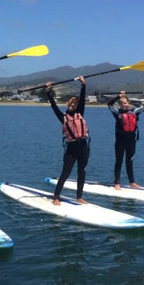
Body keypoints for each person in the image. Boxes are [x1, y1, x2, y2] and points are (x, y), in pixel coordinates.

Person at [45, 76, 90, 205]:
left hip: (83, 147)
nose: (73, 105)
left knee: (82, 172)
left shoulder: (80, 112)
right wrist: (49, 92)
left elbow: (82, 101)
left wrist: (83, 85)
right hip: (71, 148)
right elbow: (54, 106)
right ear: (67, 104)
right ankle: (56, 196)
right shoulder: (62, 117)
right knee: (65, 173)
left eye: (75, 104)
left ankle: (79, 197)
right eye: (71, 103)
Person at [107, 90, 144, 190]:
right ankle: (117, 182)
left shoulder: (134, 112)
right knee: (119, 161)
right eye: (121, 103)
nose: (124, 105)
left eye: (125, 103)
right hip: (120, 142)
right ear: (119, 104)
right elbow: (109, 104)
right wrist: (119, 96)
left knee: (129, 162)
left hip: (131, 142)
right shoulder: (116, 112)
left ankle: (132, 182)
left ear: (128, 103)